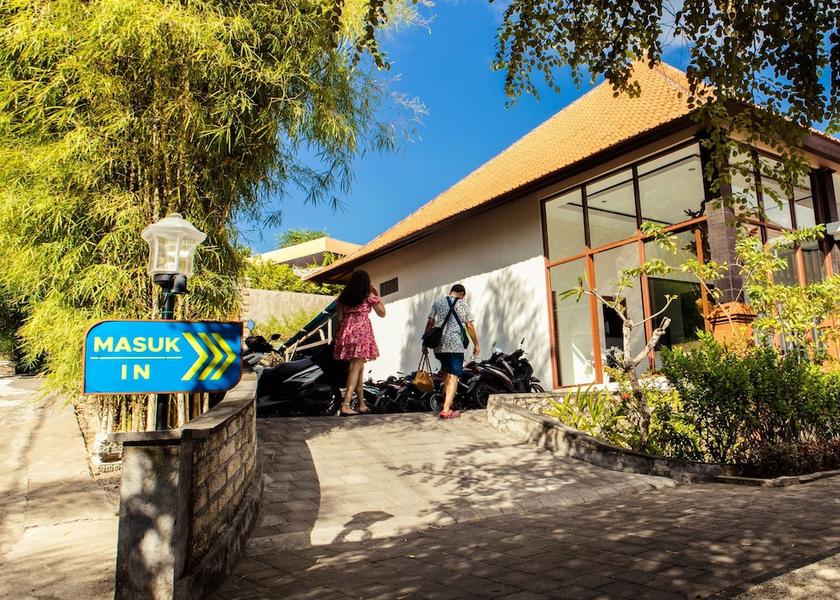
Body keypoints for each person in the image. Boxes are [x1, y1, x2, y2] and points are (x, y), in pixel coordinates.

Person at [423, 284, 480, 419]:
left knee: (446, 372)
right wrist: (476, 344)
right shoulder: (463, 304)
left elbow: (430, 323)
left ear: (450, 292)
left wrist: (424, 343)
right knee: (453, 376)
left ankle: (448, 401)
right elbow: (469, 325)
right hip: (455, 345)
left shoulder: (437, 302)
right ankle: (446, 409)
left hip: (439, 345)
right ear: (462, 294)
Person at [334, 270, 386, 415]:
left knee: (359, 368)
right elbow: (382, 313)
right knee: (355, 367)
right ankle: (345, 405)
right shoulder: (367, 295)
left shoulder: (343, 298)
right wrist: (376, 294)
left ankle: (361, 404)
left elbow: (339, 317)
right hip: (361, 333)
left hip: (346, 332)